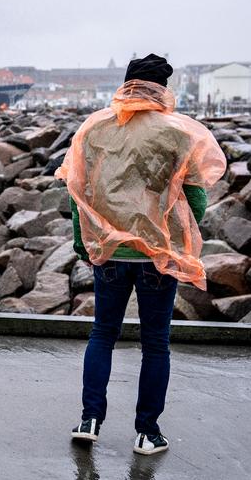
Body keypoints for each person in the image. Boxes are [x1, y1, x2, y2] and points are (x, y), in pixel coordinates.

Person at [56, 54, 226, 455]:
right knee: (155, 343)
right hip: (156, 257)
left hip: (110, 253)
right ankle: (147, 433)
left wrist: (86, 245)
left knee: (102, 333)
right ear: (163, 90)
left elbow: (77, 193)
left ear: (127, 84)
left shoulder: (95, 128)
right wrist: (169, 235)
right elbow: (195, 203)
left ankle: (89, 419)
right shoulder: (178, 133)